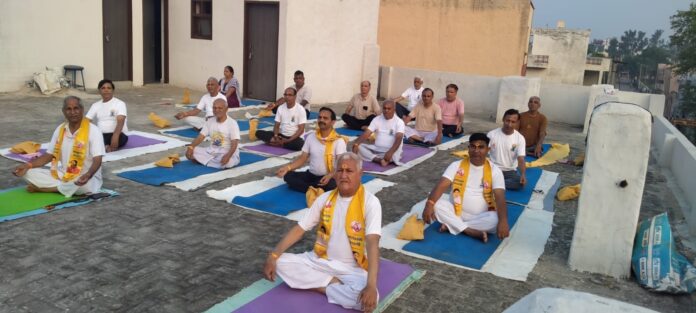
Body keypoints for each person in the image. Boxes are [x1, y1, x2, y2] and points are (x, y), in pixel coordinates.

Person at [263, 152, 381, 312]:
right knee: (280, 263)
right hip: (319, 260)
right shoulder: (324, 198)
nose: (344, 175)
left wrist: (371, 286)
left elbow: (373, 242)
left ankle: (320, 286)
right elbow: (300, 229)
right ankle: (331, 283)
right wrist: (273, 256)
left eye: (349, 171)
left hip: (351, 268)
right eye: (340, 170)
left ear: (360, 174)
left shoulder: (370, 203)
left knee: (366, 299)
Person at [422, 133, 509, 242]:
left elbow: (500, 197)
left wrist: (503, 221)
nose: (476, 151)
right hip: (455, 211)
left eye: (481, 147)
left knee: (495, 220)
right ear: (468, 149)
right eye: (473, 146)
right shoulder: (456, 165)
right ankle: (469, 230)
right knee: (436, 205)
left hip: (481, 215)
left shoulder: (495, 171)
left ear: (488, 149)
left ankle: (452, 226)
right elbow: (441, 185)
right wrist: (428, 205)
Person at [12, 96, 105, 197]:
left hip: (85, 177)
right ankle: (64, 188)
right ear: (63, 111)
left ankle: (46, 189)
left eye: (76, 108)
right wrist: (28, 165)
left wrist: (88, 175)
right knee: (28, 173)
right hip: (63, 174)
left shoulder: (94, 131)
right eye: (69, 109)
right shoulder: (60, 129)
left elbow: (97, 159)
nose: (73, 112)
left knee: (85, 186)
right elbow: (48, 155)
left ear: (82, 110)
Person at [276, 107, 346, 192]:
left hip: (328, 177)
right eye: (319, 117)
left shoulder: (338, 141)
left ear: (333, 122)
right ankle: (314, 189)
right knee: (288, 176)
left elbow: (341, 164)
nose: (321, 120)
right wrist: (287, 168)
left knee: (332, 184)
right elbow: (302, 158)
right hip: (311, 175)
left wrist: (330, 175)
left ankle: (309, 188)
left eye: (325, 118)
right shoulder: (311, 137)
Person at [185, 99, 241, 168]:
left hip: (226, 152)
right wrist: (191, 147)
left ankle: (206, 161)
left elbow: (235, 143)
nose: (217, 110)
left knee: (228, 163)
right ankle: (213, 162)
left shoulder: (232, 123)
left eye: (220, 108)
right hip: (212, 150)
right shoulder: (210, 121)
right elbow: (200, 137)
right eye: (215, 108)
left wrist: (228, 156)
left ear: (226, 109)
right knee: (192, 151)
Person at [352, 100, 405, 167]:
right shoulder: (377, 119)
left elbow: (399, 139)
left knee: (394, 155)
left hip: (391, 150)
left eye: (389, 109)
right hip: (377, 149)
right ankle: (379, 160)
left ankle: (380, 158)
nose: (386, 111)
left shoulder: (399, 122)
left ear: (394, 110)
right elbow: (367, 133)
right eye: (384, 108)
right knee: (359, 147)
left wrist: (390, 152)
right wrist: (356, 143)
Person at [487, 109, 526, 190]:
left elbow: (521, 159)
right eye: (507, 120)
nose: (509, 124)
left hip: (510, 171)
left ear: (517, 122)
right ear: (503, 119)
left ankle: (494, 183)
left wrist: (522, 175)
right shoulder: (491, 134)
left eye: (513, 122)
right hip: (493, 169)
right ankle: (497, 183)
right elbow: (483, 152)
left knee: (519, 183)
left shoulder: (520, 138)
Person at [86, 79, 129, 152]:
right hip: (101, 135)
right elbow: (86, 121)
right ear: (99, 90)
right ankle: (105, 146)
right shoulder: (95, 105)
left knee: (122, 139)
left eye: (109, 88)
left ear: (113, 90)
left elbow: (121, 121)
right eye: (103, 88)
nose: (106, 90)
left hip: (118, 134)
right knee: (88, 136)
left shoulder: (120, 103)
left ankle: (102, 146)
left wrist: (115, 137)